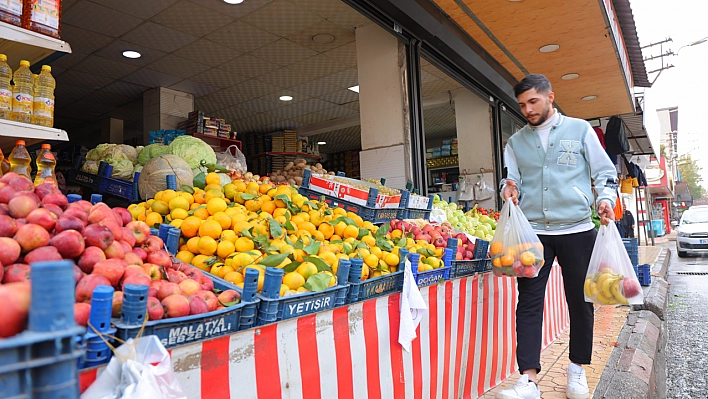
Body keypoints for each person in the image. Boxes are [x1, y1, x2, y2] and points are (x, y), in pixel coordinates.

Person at [496, 74, 618, 399]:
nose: (527, 110)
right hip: (533, 234)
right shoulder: (516, 142)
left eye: (533, 102)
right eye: (522, 105)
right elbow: (511, 179)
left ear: (550, 96)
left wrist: (606, 199)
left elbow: (605, 173)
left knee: (580, 303)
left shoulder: (580, 130)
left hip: (578, 229)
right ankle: (529, 380)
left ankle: (577, 370)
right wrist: (509, 189)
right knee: (529, 304)